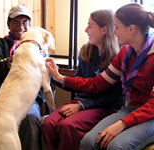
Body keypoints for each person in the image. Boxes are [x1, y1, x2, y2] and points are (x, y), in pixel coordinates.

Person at [45, 3, 154, 150]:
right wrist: (62, 78)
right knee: (88, 141)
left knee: (116, 146)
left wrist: (122, 123)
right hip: (132, 109)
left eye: (117, 27)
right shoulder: (126, 52)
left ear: (131, 29)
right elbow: (98, 84)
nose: (114, 32)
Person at [41, 9, 123, 150]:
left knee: (68, 126)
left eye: (90, 26)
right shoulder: (86, 50)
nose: (86, 30)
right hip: (81, 102)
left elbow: (114, 99)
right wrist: (53, 76)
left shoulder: (119, 57)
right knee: (49, 123)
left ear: (104, 30)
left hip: (104, 107)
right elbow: (78, 84)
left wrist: (81, 107)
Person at [0, 5, 43, 150]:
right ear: (8, 24)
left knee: (30, 119)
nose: (21, 27)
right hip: (2, 100)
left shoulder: (38, 47)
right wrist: (7, 64)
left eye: (25, 22)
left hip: (28, 100)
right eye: (16, 22)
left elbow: (46, 74)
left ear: (30, 25)